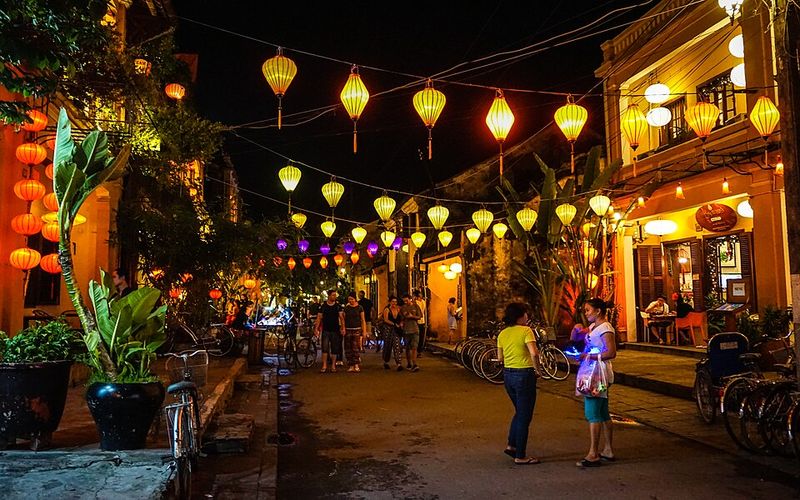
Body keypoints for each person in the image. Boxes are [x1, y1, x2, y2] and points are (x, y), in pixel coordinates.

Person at [496, 302, 543, 465]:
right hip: (524, 374)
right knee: (524, 415)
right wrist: (538, 370)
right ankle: (521, 455)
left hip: (508, 375)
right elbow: (534, 353)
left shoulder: (502, 333)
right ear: (520, 316)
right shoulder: (526, 331)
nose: (527, 317)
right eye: (525, 314)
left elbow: (500, 358)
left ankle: (512, 445)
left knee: (519, 411)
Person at [576, 297, 617, 468]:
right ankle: (607, 449)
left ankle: (593, 453)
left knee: (593, 413)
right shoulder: (593, 327)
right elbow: (578, 337)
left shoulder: (606, 328)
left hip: (598, 375)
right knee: (602, 412)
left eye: (588, 310)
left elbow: (611, 352)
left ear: (598, 311)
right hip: (592, 372)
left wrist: (590, 356)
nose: (586, 314)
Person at [316, 290, 344, 373]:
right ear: (329, 296)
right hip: (326, 330)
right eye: (333, 295)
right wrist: (316, 328)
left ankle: (333, 366)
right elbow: (319, 317)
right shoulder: (323, 306)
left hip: (335, 330)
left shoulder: (338, 306)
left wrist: (343, 328)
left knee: (334, 348)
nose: (334, 297)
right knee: (324, 348)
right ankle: (324, 365)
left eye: (335, 295)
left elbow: (341, 318)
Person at [343, 292, 367, 372]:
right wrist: (343, 328)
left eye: (352, 299)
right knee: (348, 347)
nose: (350, 301)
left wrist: (364, 331)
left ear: (355, 299)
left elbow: (363, 320)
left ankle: (356, 364)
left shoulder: (360, 308)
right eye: (349, 299)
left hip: (357, 329)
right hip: (348, 329)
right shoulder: (346, 308)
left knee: (355, 347)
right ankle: (350, 364)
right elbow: (343, 319)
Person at [401, 294, 423, 372]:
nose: (405, 302)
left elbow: (420, 316)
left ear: (410, 299)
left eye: (407, 300)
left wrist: (412, 316)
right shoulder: (403, 308)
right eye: (404, 301)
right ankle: (409, 363)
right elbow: (401, 317)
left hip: (415, 329)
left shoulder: (416, 306)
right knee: (407, 347)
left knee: (414, 347)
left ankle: (414, 363)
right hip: (406, 330)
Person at [381, 296, 404, 371]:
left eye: (395, 302)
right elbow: (386, 319)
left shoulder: (398, 309)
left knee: (397, 345)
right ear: (390, 302)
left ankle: (399, 363)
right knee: (388, 345)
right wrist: (394, 324)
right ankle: (386, 361)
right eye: (393, 301)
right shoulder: (387, 310)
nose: (394, 303)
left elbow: (401, 318)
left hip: (396, 330)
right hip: (388, 329)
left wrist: (401, 323)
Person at [413, 290, 427, 357]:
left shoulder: (423, 302)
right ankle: (415, 351)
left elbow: (423, 310)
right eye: (420, 294)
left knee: (421, 336)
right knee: (416, 337)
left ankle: (419, 351)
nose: (421, 295)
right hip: (416, 321)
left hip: (422, 321)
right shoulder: (414, 302)